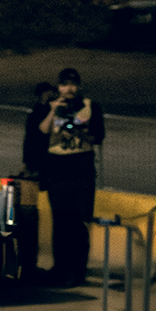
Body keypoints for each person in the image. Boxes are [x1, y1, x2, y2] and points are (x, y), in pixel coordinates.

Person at [36, 68, 104, 287]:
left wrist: (78, 127)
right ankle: (60, 269)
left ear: (79, 86)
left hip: (81, 171)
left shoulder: (90, 106)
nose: (69, 88)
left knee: (80, 224)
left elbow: (98, 136)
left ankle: (77, 270)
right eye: (64, 84)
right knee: (61, 223)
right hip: (58, 171)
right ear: (58, 86)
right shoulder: (52, 105)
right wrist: (53, 111)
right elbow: (43, 130)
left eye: (73, 84)